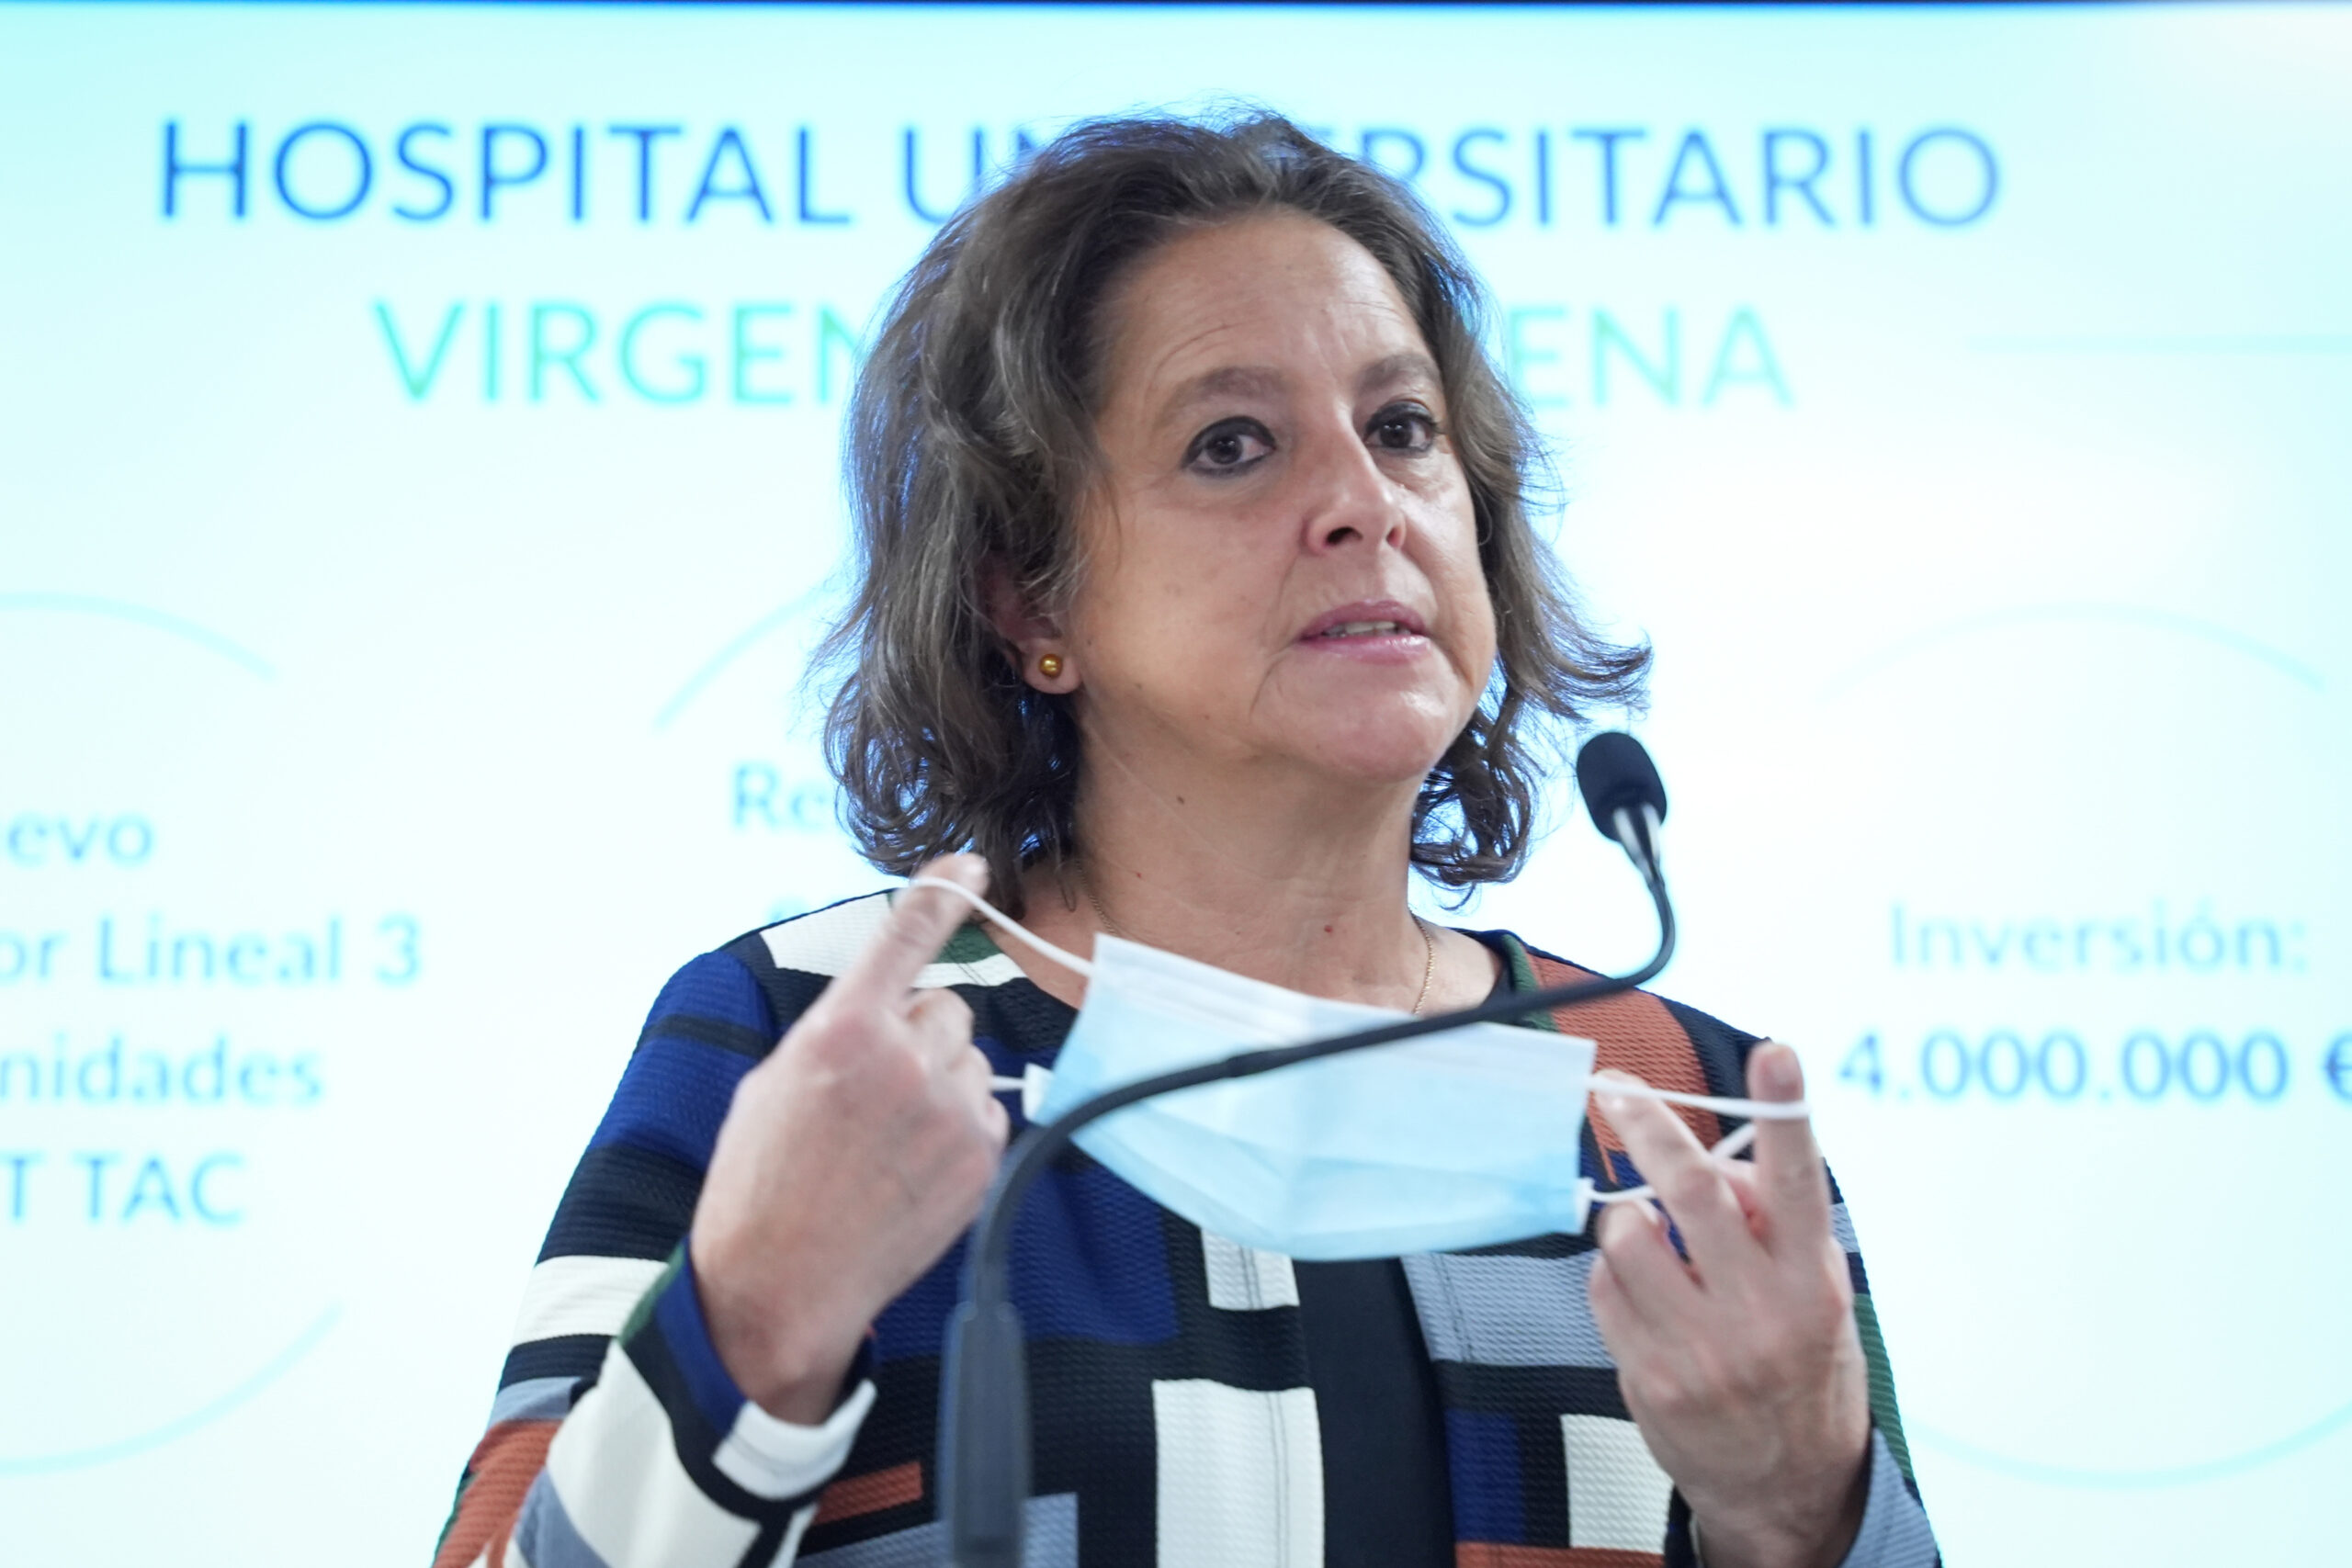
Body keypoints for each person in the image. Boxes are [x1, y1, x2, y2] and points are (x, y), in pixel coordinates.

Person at [430, 113, 1939, 1568]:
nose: (1365, 504)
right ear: (1032, 598)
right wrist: (746, 1326)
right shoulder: (815, 1044)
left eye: (1402, 429)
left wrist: (1800, 1517)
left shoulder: (1682, 1110)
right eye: (1233, 445)